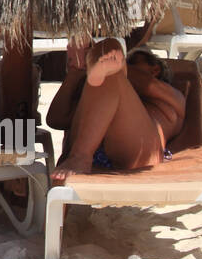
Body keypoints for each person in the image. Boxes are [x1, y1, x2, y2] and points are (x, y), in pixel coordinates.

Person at [47, 37, 186, 184]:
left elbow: (145, 83)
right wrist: (75, 73)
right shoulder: (100, 87)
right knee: (108, 55)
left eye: (132, 62)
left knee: (110, 50)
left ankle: (80, 156)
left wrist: (95, 60)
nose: (127, 64)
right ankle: (81, 156)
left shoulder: (172, 98)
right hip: (98, 151)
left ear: (155, 70)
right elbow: (56, 119)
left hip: (140, 155)